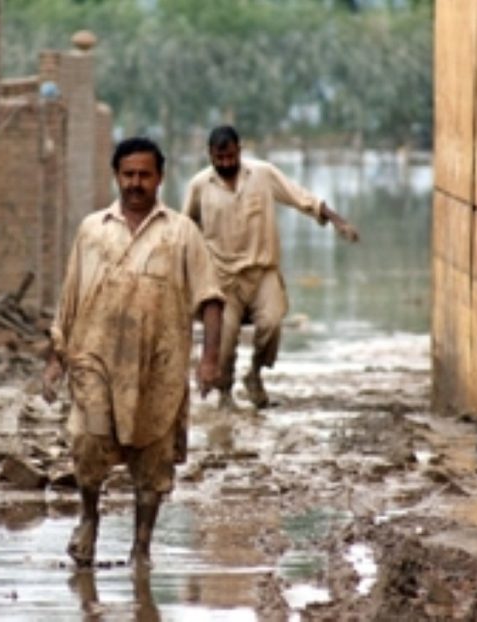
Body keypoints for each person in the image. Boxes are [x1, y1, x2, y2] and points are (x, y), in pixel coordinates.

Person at [42, 137, 225, 568]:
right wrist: (56, 358)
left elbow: (211, 299)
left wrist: (210, 358)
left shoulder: (182, 233)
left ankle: (142, 546)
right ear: (116, 177)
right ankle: (89, 519)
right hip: (95, 359)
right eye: (129, 175)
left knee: (154, 457)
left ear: (160, 178)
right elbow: (69, 298)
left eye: (145, 175)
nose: (136, 183)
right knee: (89, 441)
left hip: (158, 364)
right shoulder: (92, 229)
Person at [182, 125, 359, 410]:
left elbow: (301, 197)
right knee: (223, 341)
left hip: (262, 271)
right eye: (219, 158)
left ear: (240, 151)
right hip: (222, 278)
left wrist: (338, 221)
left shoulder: (262, 174)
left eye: (230, 157)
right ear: (210, 155)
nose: (226, 164)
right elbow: (185, 228)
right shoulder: (199, 186)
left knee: (272, 323)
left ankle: (255, 373)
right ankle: (225, 394)